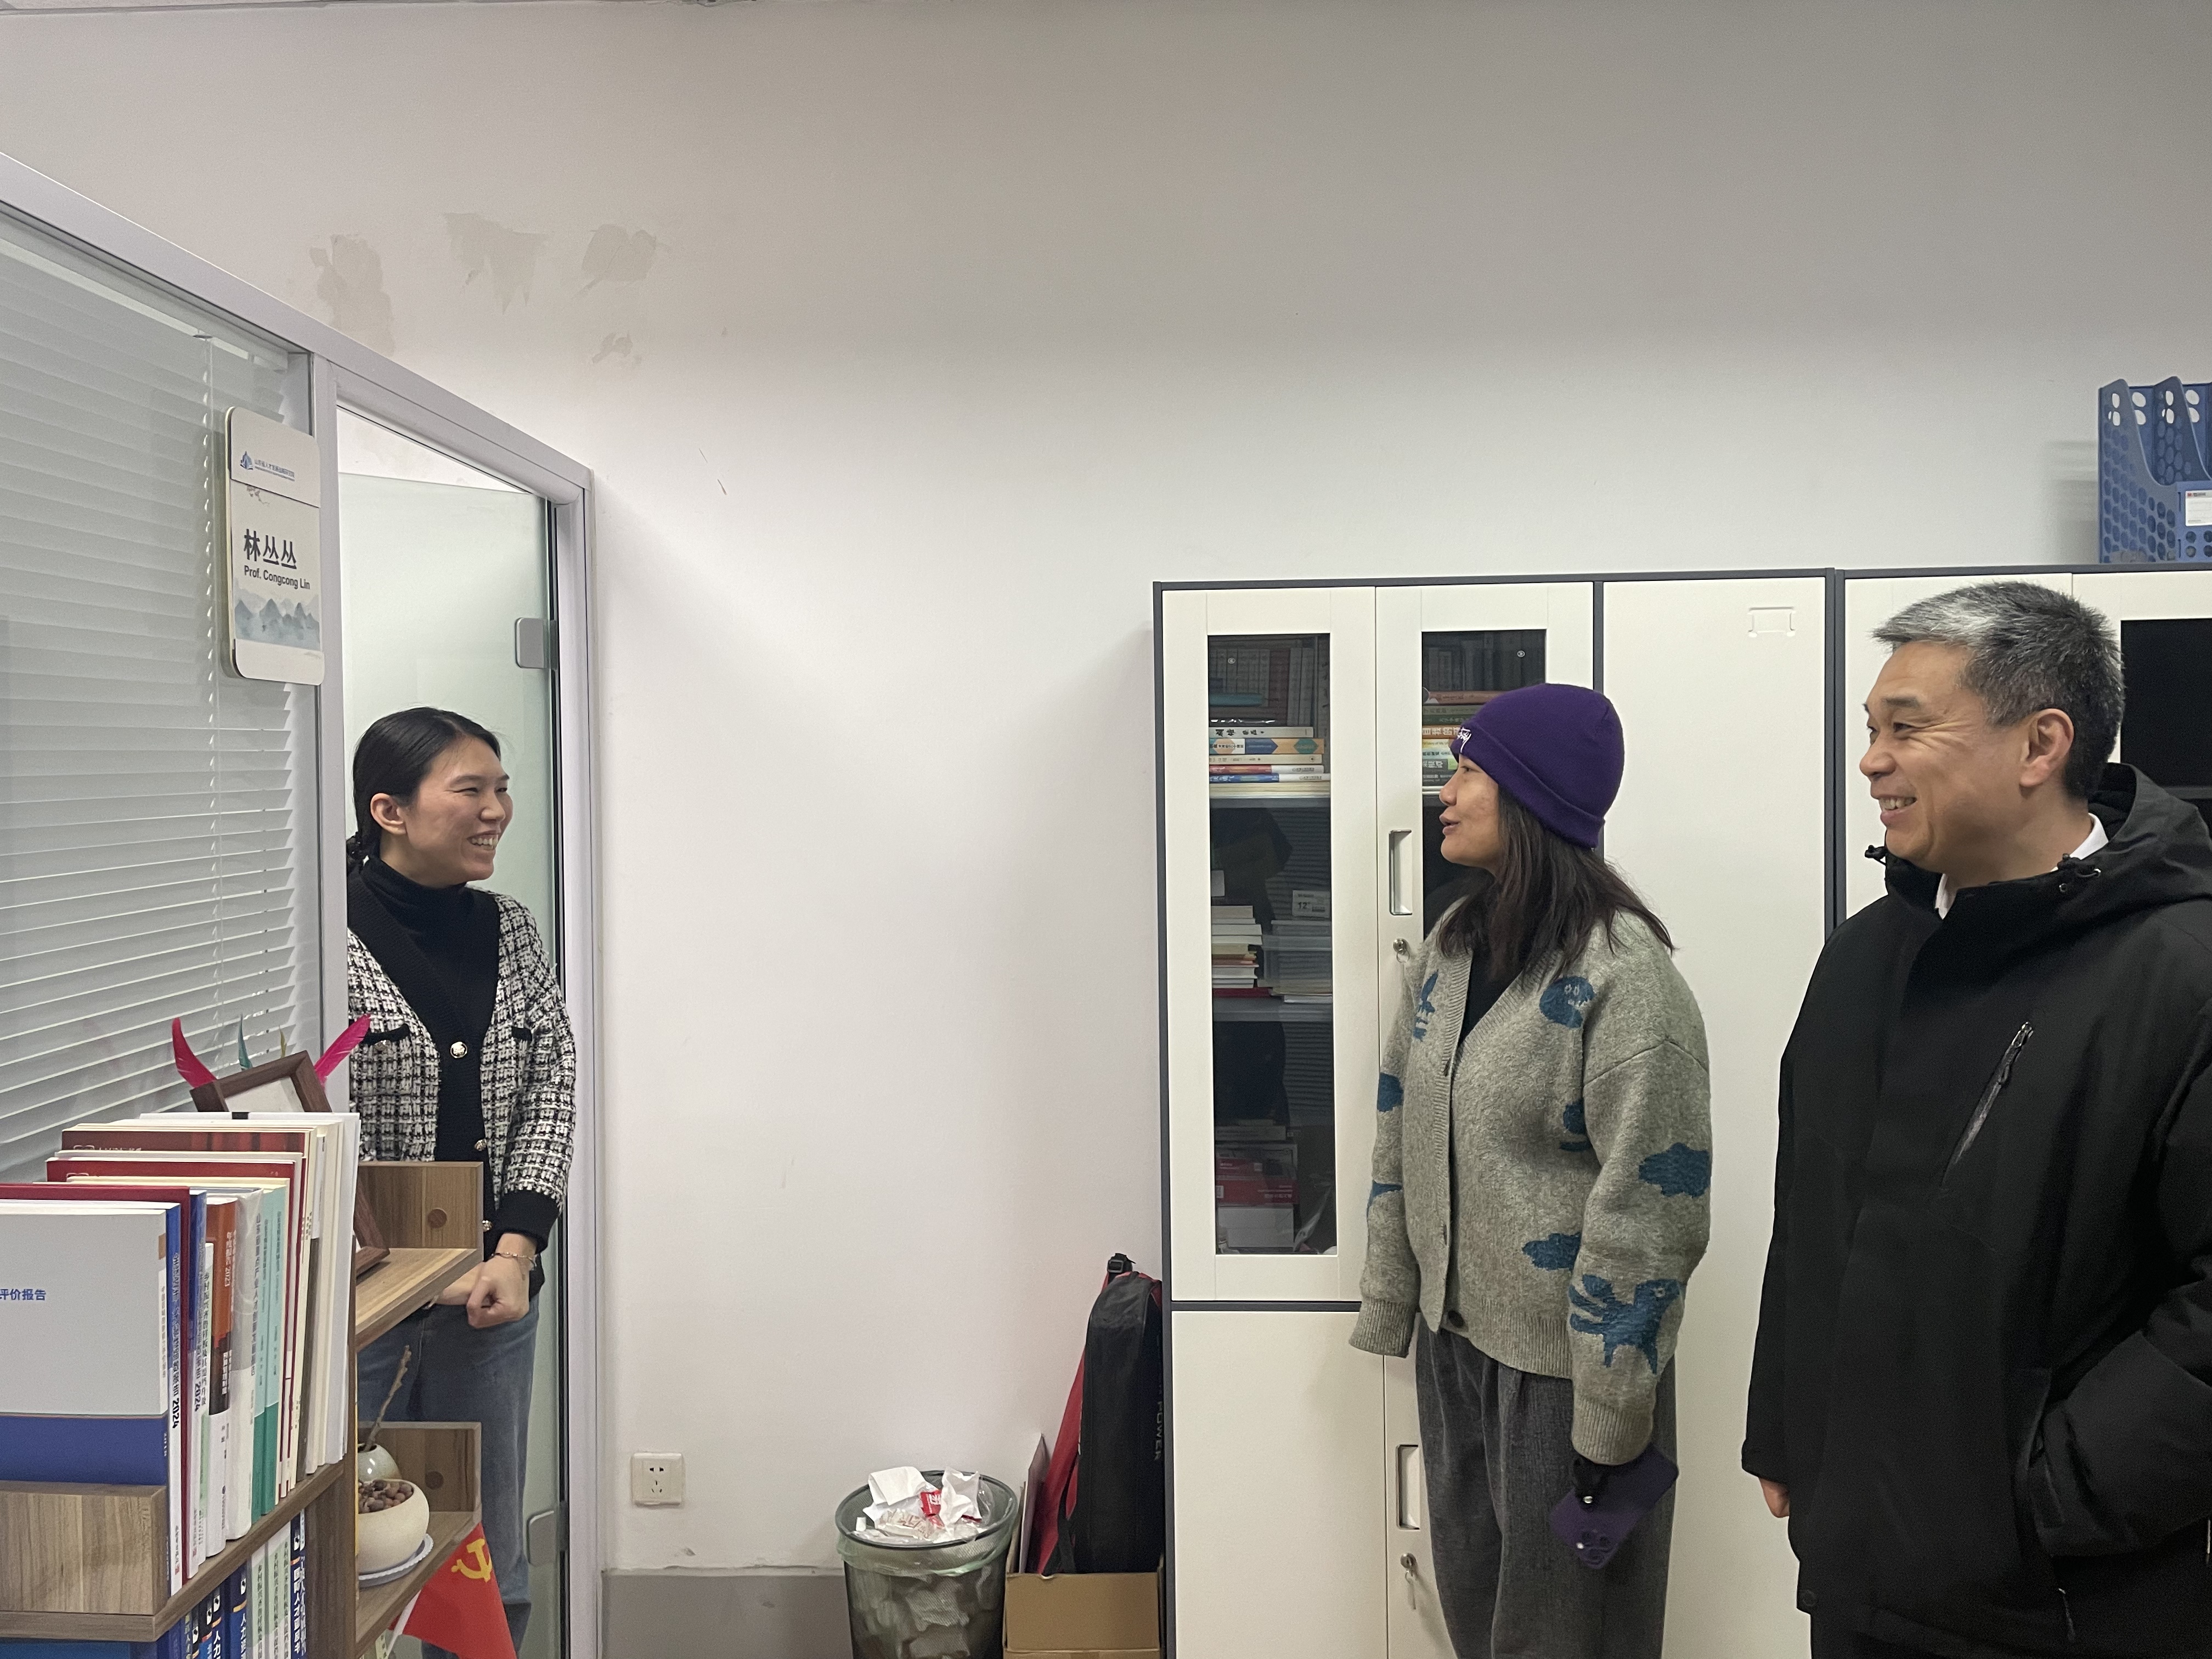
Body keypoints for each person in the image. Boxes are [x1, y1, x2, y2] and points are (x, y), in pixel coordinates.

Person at [1746, 582, 2212, 1659]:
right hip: (1858, 1567)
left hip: (2068, 1597)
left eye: (1907, 728)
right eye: (1871, 729)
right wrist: (1788, 1423)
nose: (1872, 761)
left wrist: (2057, 1493)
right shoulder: (1865, 958)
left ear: (2041, 743)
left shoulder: (2179, 970)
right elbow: (1811, 1212)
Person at [1352, 682, 1713, 1658]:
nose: (1446, 792)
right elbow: (1401, 1124)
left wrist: (1609, 1420)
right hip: (1455, 1349)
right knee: (1481, 1625)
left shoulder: (1626, 978)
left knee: (1564, 1640)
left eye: (1469, 771)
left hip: (1567, 1373)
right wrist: (1394, 1297)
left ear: (1531, 796)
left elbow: (1652, 1215)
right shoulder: (1452, 948)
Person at [348, 708, 576, 1654]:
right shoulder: (323, 930)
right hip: (358, 1310)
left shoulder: (508, 927)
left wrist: (515, 1251)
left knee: (485, 1559)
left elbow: (552, 1084)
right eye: (471, 790)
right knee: (349, 1557)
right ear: (390, 810)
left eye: (502, 789)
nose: (497, 811)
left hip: (490, 1297)